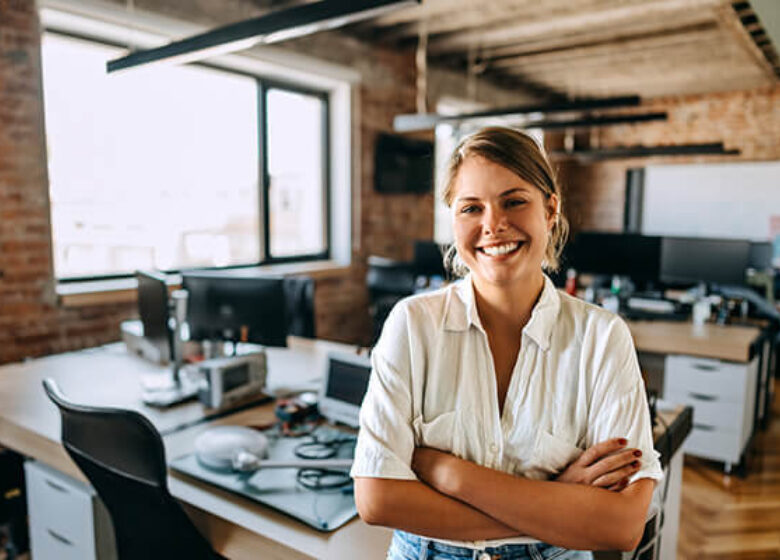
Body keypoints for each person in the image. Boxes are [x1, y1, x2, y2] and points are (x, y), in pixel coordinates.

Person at [350, 126, 663, 560]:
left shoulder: (602, 337)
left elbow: (621, 525)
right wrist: (554, 501)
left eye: (514, 201)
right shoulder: (412, 324)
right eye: (471, 208)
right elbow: (377, 500)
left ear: (550, 210)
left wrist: (448, 473)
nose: (493, 225)